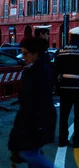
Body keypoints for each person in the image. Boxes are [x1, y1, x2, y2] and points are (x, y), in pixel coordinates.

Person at [8, 37, 56, 168]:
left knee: (30, 154)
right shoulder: (32, 70)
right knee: (32, 155)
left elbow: (41, 100)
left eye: (25, 53)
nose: (23, 56)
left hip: (35, 122)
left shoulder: (40, 72)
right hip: (32, 121)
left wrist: (40, 125)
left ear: (36, 53)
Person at [54, 26, 79, 148]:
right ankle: (78, 140)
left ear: (70, 37)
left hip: (64, 87)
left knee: (64, 115)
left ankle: (62, 139)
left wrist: (56, 87)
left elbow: (55, 70)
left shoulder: (60, 50)